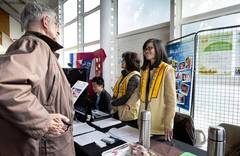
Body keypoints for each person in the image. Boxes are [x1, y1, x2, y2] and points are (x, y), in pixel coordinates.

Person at [0, 2, 75, 156]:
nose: (58, 31)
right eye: (56, 24)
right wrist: (43, 120)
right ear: (46, 22)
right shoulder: (35, 45)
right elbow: (5, 86)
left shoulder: (32, 46)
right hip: (47, 146)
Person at [131, 38, 176, 141]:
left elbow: (171, 100)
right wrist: (129, 105)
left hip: (158, 124)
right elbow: (138, 91)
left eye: (150, 48)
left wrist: (168, 123)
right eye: (145, 49)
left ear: (158, 49)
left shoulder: (167, 69)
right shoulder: (144, 70)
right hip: (142, 120)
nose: (146, 51)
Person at [111, 51, 141, 128]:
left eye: (123, 60)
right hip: (119, 111)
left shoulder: (135, 77)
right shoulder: (123, 74)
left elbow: (127, 96)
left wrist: (112, 103)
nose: (121, 62)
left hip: (129, 115)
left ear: (130, 62)